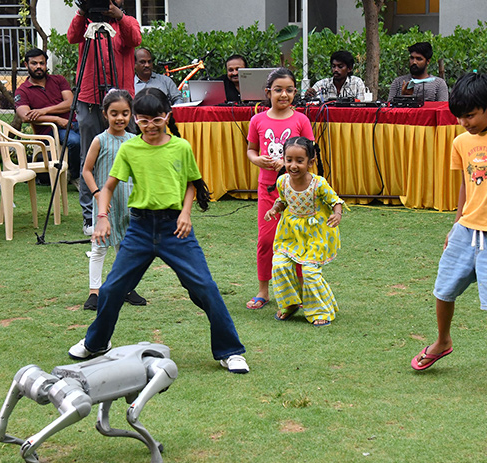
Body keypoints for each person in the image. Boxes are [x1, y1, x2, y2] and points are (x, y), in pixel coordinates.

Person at [67, 88, 251, 375]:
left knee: (204, 286)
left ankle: (229, 351)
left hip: (174, 228)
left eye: (155, 120)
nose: (150, 126)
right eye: (142, 121)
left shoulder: (181, 147)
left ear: (167, 116)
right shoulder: (130, 148)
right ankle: (97, 342)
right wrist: (101, 216)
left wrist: (186, 214)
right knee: (114, 287)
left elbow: (192, 183)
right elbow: (108, 187)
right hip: (139, 228)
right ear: (135, 121)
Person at [409, 72, 487, 404]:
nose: (464, 122)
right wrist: (455, 225)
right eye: (459, 116)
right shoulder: (461, 141)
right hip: (466, 230)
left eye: (470, 115)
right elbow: (466, 185)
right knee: (443, 290)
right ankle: (442, 341)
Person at [67, 0, 141, 235]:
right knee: (90, 155)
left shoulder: (126, 22)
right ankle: (90, 216)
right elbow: (72, 36)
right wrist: (82, 11)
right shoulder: (86, 21)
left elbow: (135, 40)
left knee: (130, 154)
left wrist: (119, 16)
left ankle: (133, 209)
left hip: (121, 100)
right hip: (89, 97)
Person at [245, 68, 314, 311]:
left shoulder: (301, 120)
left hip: (295, 191)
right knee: (266, 240)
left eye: (289, 90)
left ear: (295, 92)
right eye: (278, 90)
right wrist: (257, 160)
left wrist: (287, 164)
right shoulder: (258, 120)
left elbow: (309, 155)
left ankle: (301, 290)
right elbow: (251, 149)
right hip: (267, 188)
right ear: (268, 92)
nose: (283, 95)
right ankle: (264, 290)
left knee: (297, 240)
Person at [264, 137, 345, 326]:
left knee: (309, 271)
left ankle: (321, 310)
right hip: (290, 233)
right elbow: (283, 200)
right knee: (279, 264)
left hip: (316, 235)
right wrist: (275, 209)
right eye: (288, 160)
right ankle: (290, 303)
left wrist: (338, 214)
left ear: (310, 162)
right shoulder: (282, 181)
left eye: (299, 161)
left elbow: (336, 201)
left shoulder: (319, 183)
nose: (293, 165)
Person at [79, 89, 145, 310]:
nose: (120, 118)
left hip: (128, 202)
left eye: (125, 113)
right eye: (114, 113)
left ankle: (125, 288)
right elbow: (87, 170)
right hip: (104, 204)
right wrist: (98, 194)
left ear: (131, 115)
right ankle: (94, 292)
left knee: (125, 248)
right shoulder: (100, 140)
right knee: (99, 248)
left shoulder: (135, 141)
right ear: (105, 114)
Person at [14, 48, 84, 187]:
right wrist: (56, 119)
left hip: (73, 122)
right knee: (75, 141)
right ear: (26, 65)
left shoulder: (58, 80)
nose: (39, 66)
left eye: (42, 63)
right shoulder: (23, 90)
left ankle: (91, 175)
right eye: (34, 63)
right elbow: (25, 116)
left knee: (94, 136)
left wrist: (43, 111)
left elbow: (70, 102)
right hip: (49, 131)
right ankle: (75, 176)